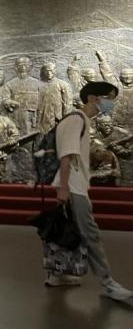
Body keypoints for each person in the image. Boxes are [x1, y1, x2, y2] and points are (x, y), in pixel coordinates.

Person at [50, 81, 132, 299]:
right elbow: (66, 156)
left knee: (69, 231)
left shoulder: (80, 120)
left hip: (74, 185)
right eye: (109, 99)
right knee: (90, 233)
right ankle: (108, 283)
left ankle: (58, 275)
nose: (111, 104)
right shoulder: (76, 120)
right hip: (72, 186)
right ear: (94, 98)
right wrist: (65, 188)